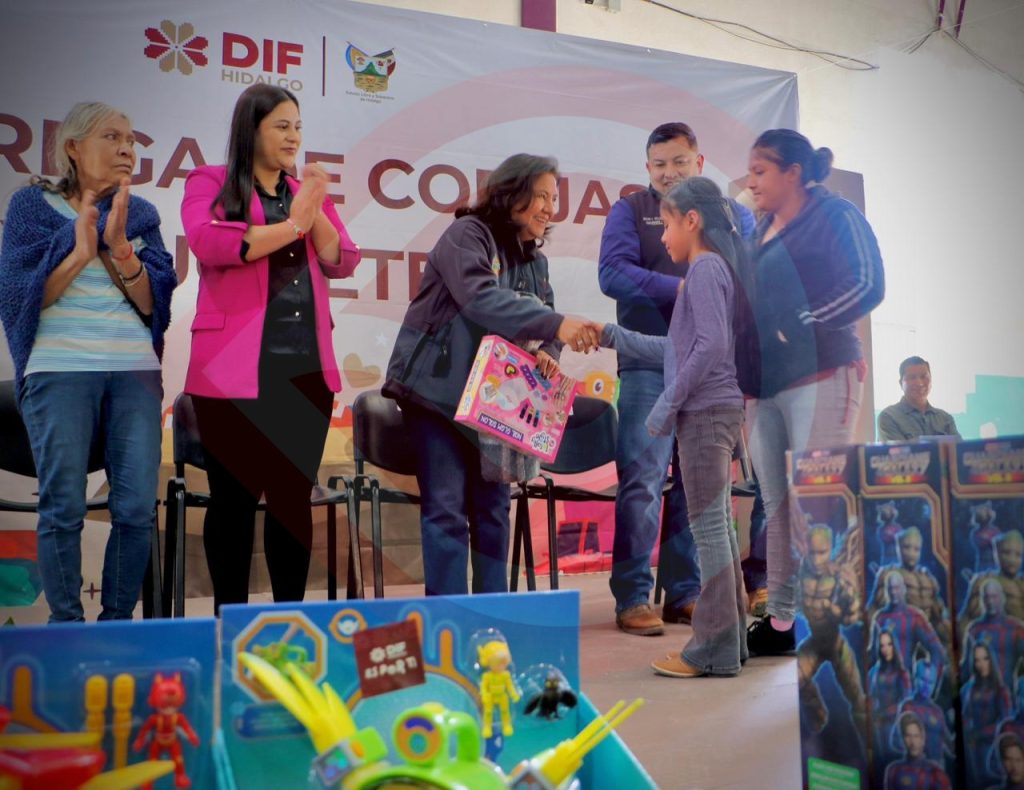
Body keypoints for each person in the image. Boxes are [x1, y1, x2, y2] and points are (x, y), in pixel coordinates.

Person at [383, 154, 599, 596]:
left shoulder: (536, 261)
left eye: (553, 198)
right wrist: (556, 325)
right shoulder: (468, 234)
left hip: (496, 404)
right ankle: (450, 615)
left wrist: (550, 351)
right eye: (540, 196)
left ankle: (493, 612)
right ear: (510, 193)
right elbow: (482, 300)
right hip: (438, 395)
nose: (549, 208)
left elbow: (545, 320)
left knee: (494, 511)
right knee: (446, 507)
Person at [180, 84, 361, 612]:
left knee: (291, 502)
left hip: (303, 369)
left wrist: (312, 205)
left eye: (298, 127)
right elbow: (211, 242)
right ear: (251, 129)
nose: (293, 137)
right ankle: (231, 620)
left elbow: (343, 259)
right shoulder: (210, 181)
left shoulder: (303, 194)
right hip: (231, 371)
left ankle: (287, 622)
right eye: (282, 126)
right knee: (233, 502)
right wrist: (293, 224)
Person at [0, 101, 176, 622]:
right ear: (74, 148)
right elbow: (21, 297)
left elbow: (153, 303)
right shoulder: (31, 207)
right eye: (112, 137)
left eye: (132, 140)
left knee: (136, 507)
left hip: (134, 372)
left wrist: (119, 247)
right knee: (64, 506)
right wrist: (79, 251)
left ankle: (117, 625)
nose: (127, 149)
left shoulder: (140, 215)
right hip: (59, 368)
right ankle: (67, 628)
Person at [597, 122, 755, 635]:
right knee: (642, 480)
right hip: (647, 364)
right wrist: (683, 288)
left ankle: (684, 593)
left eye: (679, 162)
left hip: (712, 369)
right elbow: (611, 274)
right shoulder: (630, 211)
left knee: (696, 485)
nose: (669, 173)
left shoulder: (727, 215)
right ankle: (633, 596)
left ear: (699, 163)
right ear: (648, 168)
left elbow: (750, 270)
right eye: (660, 165)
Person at [741, 129, 885, 656]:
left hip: (823, 374)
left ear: (793, 173)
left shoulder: (836, 214)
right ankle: (783, 624)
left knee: (819, 503)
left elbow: (868, 283)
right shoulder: (759, 229)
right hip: (764, 387)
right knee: (777, 507)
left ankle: (834, 626)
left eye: (760, 171)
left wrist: (802, 323)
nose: (751, 182)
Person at [963, 642, 1013, 785]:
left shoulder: (1001, 690)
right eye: (977, 660)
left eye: (985, 658)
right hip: (971, 750)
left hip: (993, 750)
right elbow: (965, 714)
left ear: (991, 659)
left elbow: (1005, 724)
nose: (981, 664)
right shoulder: (970, 689)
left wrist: (979, 734)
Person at [877, 356, 960, 441]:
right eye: (912, 377)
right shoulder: (889, 417)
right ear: (901, 383)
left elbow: (960, 448)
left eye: (924, 377)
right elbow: (897, 449)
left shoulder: (945, 419)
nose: (919, 383)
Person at [867, 630, 912, 772]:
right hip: (876, 728)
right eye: (882, 645)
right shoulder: (874, 672)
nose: (886, 649)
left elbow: (906, 704)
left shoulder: (902, 673)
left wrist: (884, 714)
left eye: (889, 644)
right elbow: (869, 697)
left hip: (895, 728)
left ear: (894, 646)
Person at [883, 712, 951, 790]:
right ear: (903, 739)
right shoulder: (893, 770)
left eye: (916, 736)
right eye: (908, 736)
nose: (913, 742)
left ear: (923, 739)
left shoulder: (935, 771)